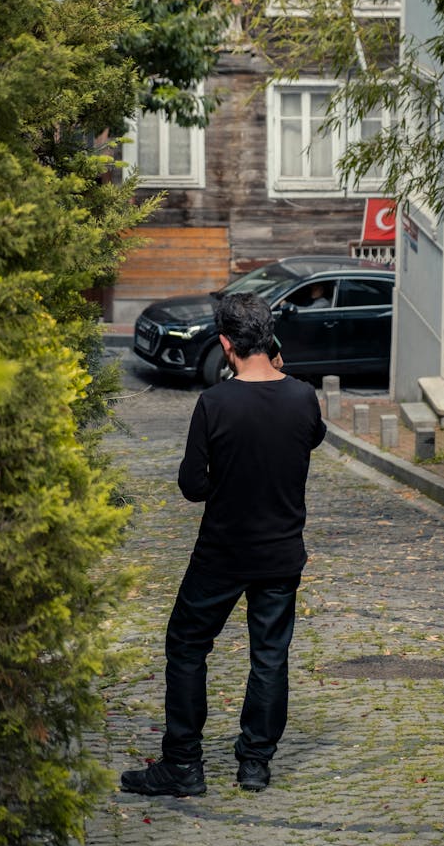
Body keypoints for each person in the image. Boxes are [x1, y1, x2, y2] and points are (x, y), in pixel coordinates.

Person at [120, 292, 326, 797]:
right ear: (269, 340)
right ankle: (255, 763)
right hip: (280, 553)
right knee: (269, 655)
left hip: (222, 553)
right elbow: (311, 438)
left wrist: (227, 484)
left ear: (226, 344)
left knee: (188, 646)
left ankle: (184, 764)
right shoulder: (302, 397)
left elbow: (192, 485)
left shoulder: (214, 403)